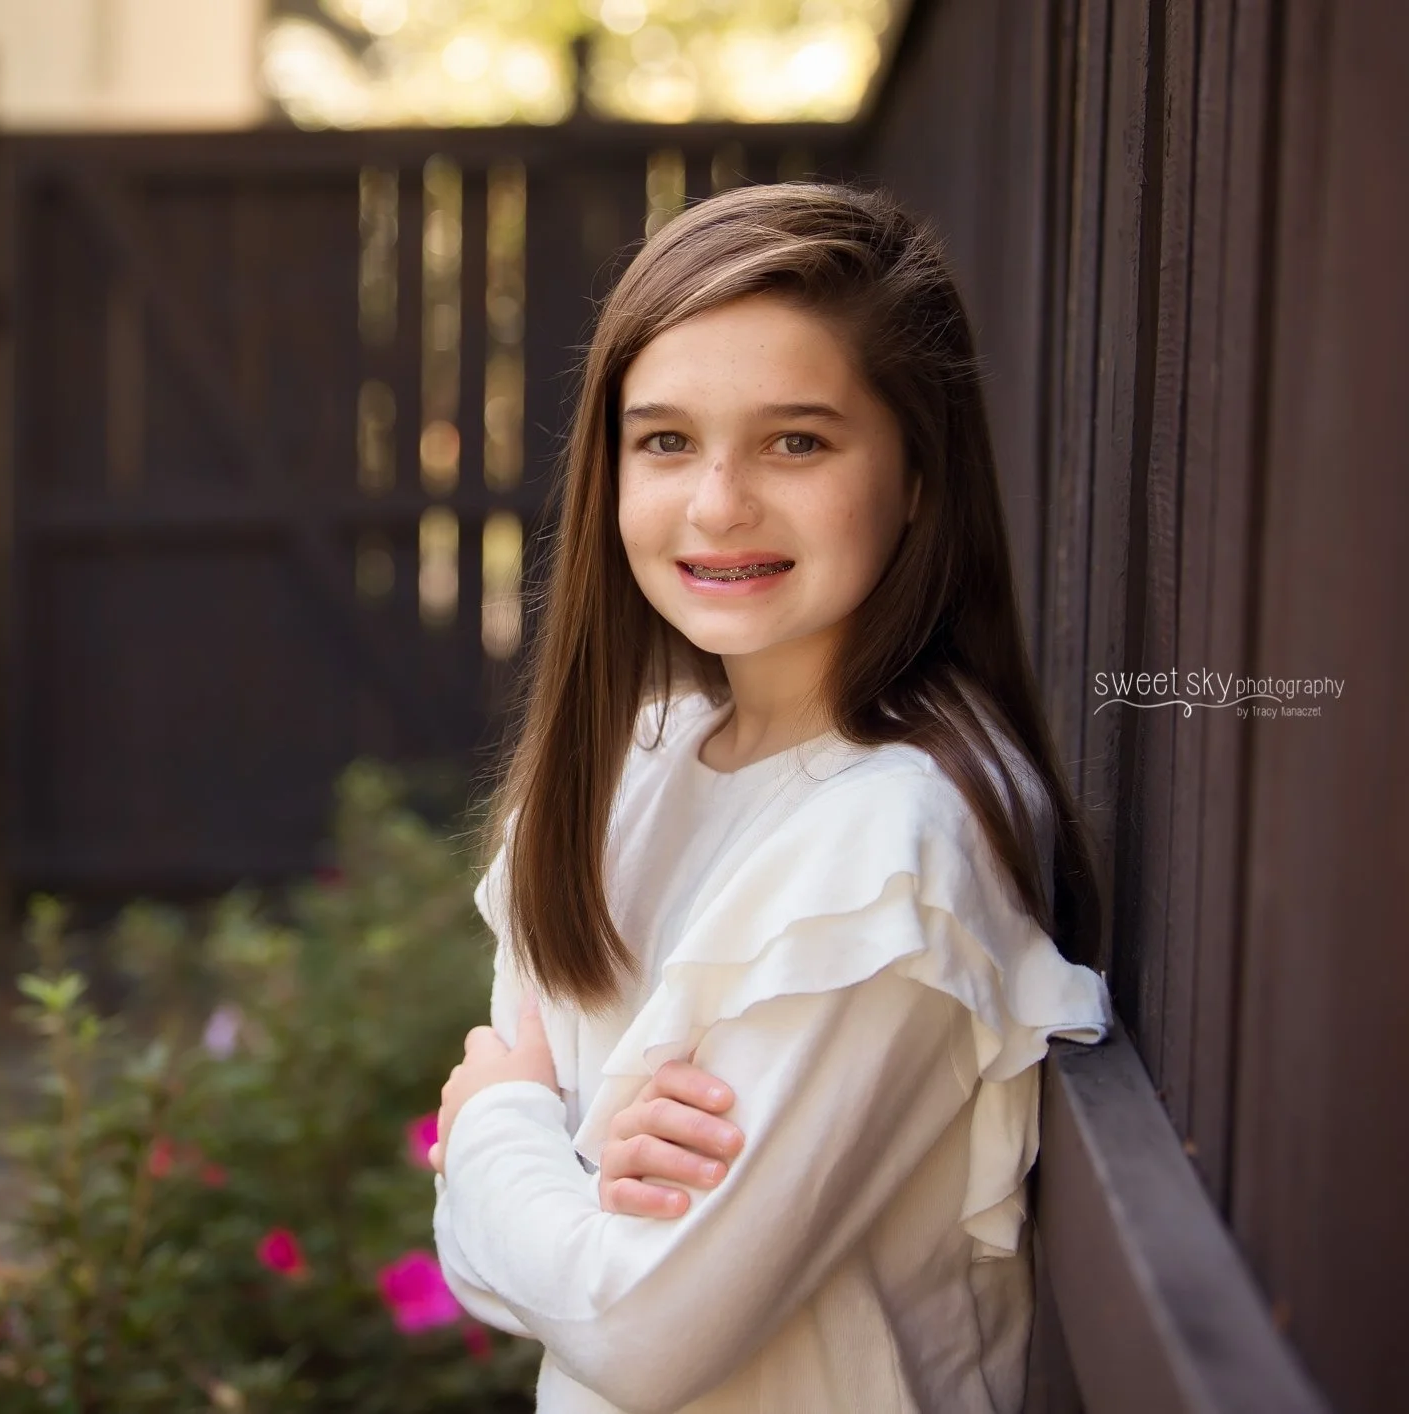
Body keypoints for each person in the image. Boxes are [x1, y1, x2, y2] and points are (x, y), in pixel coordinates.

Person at [426, 181, 1112, 1414]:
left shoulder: (892, 849)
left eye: (797, 440)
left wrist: (502, 1127)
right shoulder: (640, 761)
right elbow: (590, 1259)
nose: (718, 503)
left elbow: (633, 1326)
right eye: (667, 439)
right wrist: (581, 1157)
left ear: (916, 474)